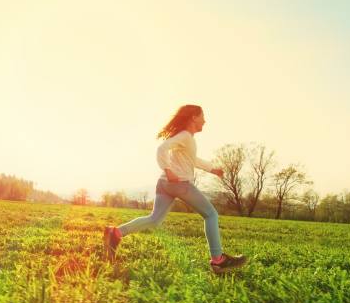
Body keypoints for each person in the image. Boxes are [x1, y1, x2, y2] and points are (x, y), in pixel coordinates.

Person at [103, 104, 247, 274]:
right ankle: (218, 259)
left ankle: (115, 233)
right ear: (193, 117)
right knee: (211, 214)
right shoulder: (185, 136)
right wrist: (168, 170)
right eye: (202, 116)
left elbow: (192, 159)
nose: (205, 121)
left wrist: (212, 169)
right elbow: (161, 148)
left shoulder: (186, 138)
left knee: (154, 219)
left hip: (164, 184)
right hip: (179, 184)